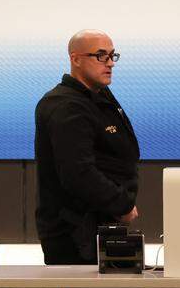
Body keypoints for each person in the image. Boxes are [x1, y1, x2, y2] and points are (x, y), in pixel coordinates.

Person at [34, 29, 140, 264]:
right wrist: (122, 204)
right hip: (76, 236)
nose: (110, 63)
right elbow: (78, 173)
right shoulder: (65, 105)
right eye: (101, 56)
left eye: (112, 55)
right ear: (76, 59)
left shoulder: (99, 96)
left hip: (103, 225)